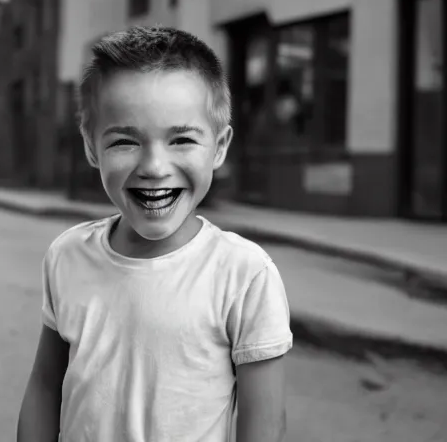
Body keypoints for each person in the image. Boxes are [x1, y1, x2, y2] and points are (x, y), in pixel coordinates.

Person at [17, 26, 293, 442]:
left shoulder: (245, 275)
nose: (154, 167)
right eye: (125, 142)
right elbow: (44, 385)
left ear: (219, 146)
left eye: (181, 139)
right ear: (92, 148)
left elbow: (265, 426)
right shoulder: (67, 256)